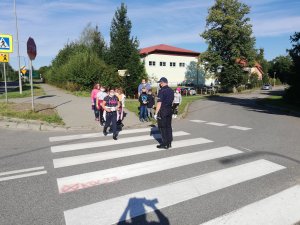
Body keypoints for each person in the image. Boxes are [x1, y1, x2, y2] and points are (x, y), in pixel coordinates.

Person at [154, 77, 174, 149]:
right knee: (168, 126)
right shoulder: (171, 90)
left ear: (163, 83)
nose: (160, 84)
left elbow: (159, 103)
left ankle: (164, 143)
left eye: (160, 83)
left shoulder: (162, 91)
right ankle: (169, 142)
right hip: (169, 110)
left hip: (163, 111)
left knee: (162, 127)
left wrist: (156, 113)